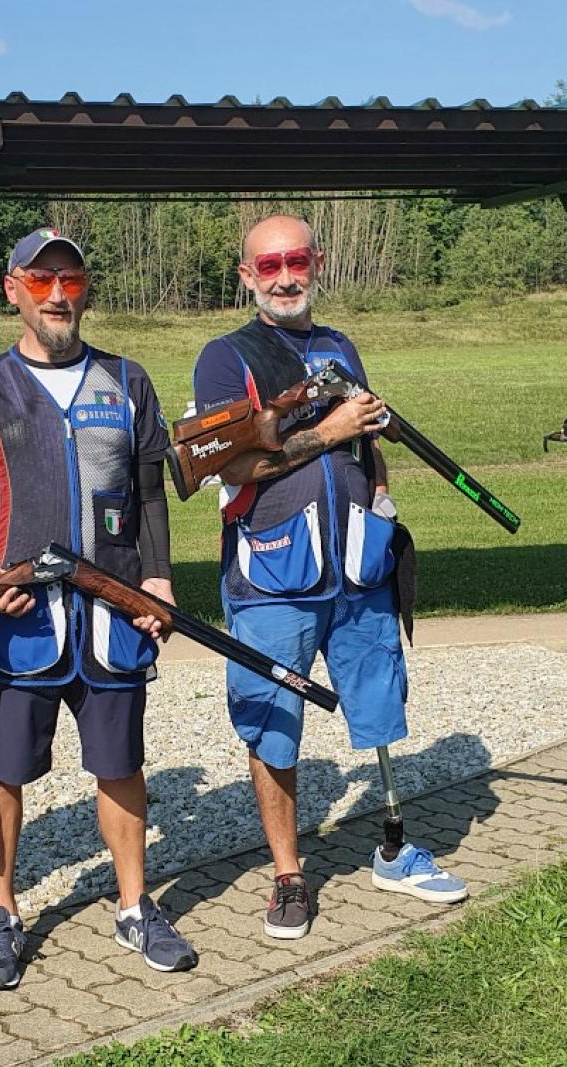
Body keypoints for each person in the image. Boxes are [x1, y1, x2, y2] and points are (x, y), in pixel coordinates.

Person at [0, 226, 198, 990]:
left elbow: (148, 493)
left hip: (111, 614)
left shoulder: (126, 379)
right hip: (18, 620)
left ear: (84, 289)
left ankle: (135, 905)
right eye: (40, 281)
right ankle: (3, 912)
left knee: (121, 765)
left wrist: (161, 581)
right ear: (12, 288)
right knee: (4, 771)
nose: (56, 296)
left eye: (70, 281)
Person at [192, 214, 467, 940]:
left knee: (377, 703)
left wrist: (380, 499)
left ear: (316, 263)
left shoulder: (340, 344)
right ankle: (288, 875)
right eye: (269, 263)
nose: (286, 276)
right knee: (272, 722)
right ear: (247, 275)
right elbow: (231, 465)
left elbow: (370, 434)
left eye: (298, 260)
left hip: (357, 567)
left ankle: (394, 842)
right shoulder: (227, 359)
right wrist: (326, 431)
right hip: (274, 574)